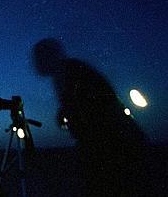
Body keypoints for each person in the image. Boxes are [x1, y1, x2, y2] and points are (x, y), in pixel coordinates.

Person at [32, 38, 149, 196]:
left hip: (113, 146)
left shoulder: (70, 72)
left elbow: (92, 110)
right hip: (113, 142)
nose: (35, 63)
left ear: (48, 56)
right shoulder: (70, 71)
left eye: (38, 57)